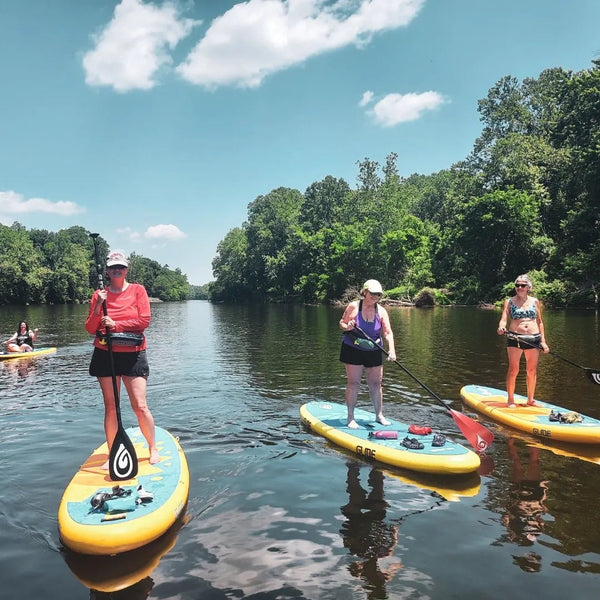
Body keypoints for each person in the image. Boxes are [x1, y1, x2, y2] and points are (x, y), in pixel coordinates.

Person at [85, 250, 160, 466]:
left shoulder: (138, 290)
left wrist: (116, 325)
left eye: (121, 267)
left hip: (133, 355)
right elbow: (91, 327)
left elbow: (144, 320)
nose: (117, 270)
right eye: (113, 267)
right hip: (105, 354)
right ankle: (112, 454)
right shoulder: (98, 294)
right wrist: (99, 304)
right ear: (107, 271)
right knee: (111, 407)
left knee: (140, 405)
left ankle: (152, 448)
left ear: (126, 269)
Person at [339, 279, 397, 428]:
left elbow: (388, 332)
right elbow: (342, 323)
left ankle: (379, 416)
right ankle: (350, 418)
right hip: (353, 348)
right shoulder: (353, 306)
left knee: (376, 384)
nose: (375, 297)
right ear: (365, 292)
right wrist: (349, 327)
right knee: (354, 383)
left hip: (374, 349)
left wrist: (392, 350)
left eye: (378, 295)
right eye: (373, 294)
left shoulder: (382, 311)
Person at [497, 274, 549, 408]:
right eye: (517, 285)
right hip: (515, 337)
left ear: (528, 287)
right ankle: (510, 399)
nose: (519, 287)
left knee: (531, 370)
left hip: (533, 338)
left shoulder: (535, 301)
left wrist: (543, 341)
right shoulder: (509, 301)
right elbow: (504, 318)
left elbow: (540, 322)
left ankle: (530, 399)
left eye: (522, 285)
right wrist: (501, 326)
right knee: (514, 369)